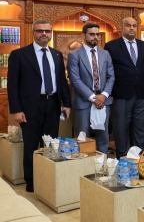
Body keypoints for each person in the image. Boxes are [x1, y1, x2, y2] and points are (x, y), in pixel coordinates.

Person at [7, 19, 71, 192]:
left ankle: (47, 180)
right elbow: (12, 85)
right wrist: (16, 109)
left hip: (53, 104)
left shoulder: (56, 55)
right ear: (33, 33)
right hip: (30, 107)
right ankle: (32, 182)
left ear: (51, 34)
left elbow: (61, 81)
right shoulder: (19, 54)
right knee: (31, 145)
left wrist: (67, 103)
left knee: (51, 144)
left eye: (47, 31)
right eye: (40, 31)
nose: (44, 34)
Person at [105, 17, 144, 158]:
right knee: (121, 128)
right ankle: (124, 158)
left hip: (143, 94)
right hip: (121, 94)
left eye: (134, 25)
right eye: (128, 25)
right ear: (122, 27)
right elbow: (108, 71)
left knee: (142, 128)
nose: (132, 28)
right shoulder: (111, 46)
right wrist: (109, 93)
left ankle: (142, 157)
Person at [67, 23, 114, 155]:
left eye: (97, 34)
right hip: (84, 102)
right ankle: (84, 165)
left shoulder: (105, 54)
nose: (95, 37)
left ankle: (102, 164)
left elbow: (111, 76)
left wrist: (104, 95)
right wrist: (93, 98)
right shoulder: (74, 55)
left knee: (103, 137)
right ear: (83, 35)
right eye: (92, 34)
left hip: (103, 101)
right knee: (83, 138)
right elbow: (75, 80)